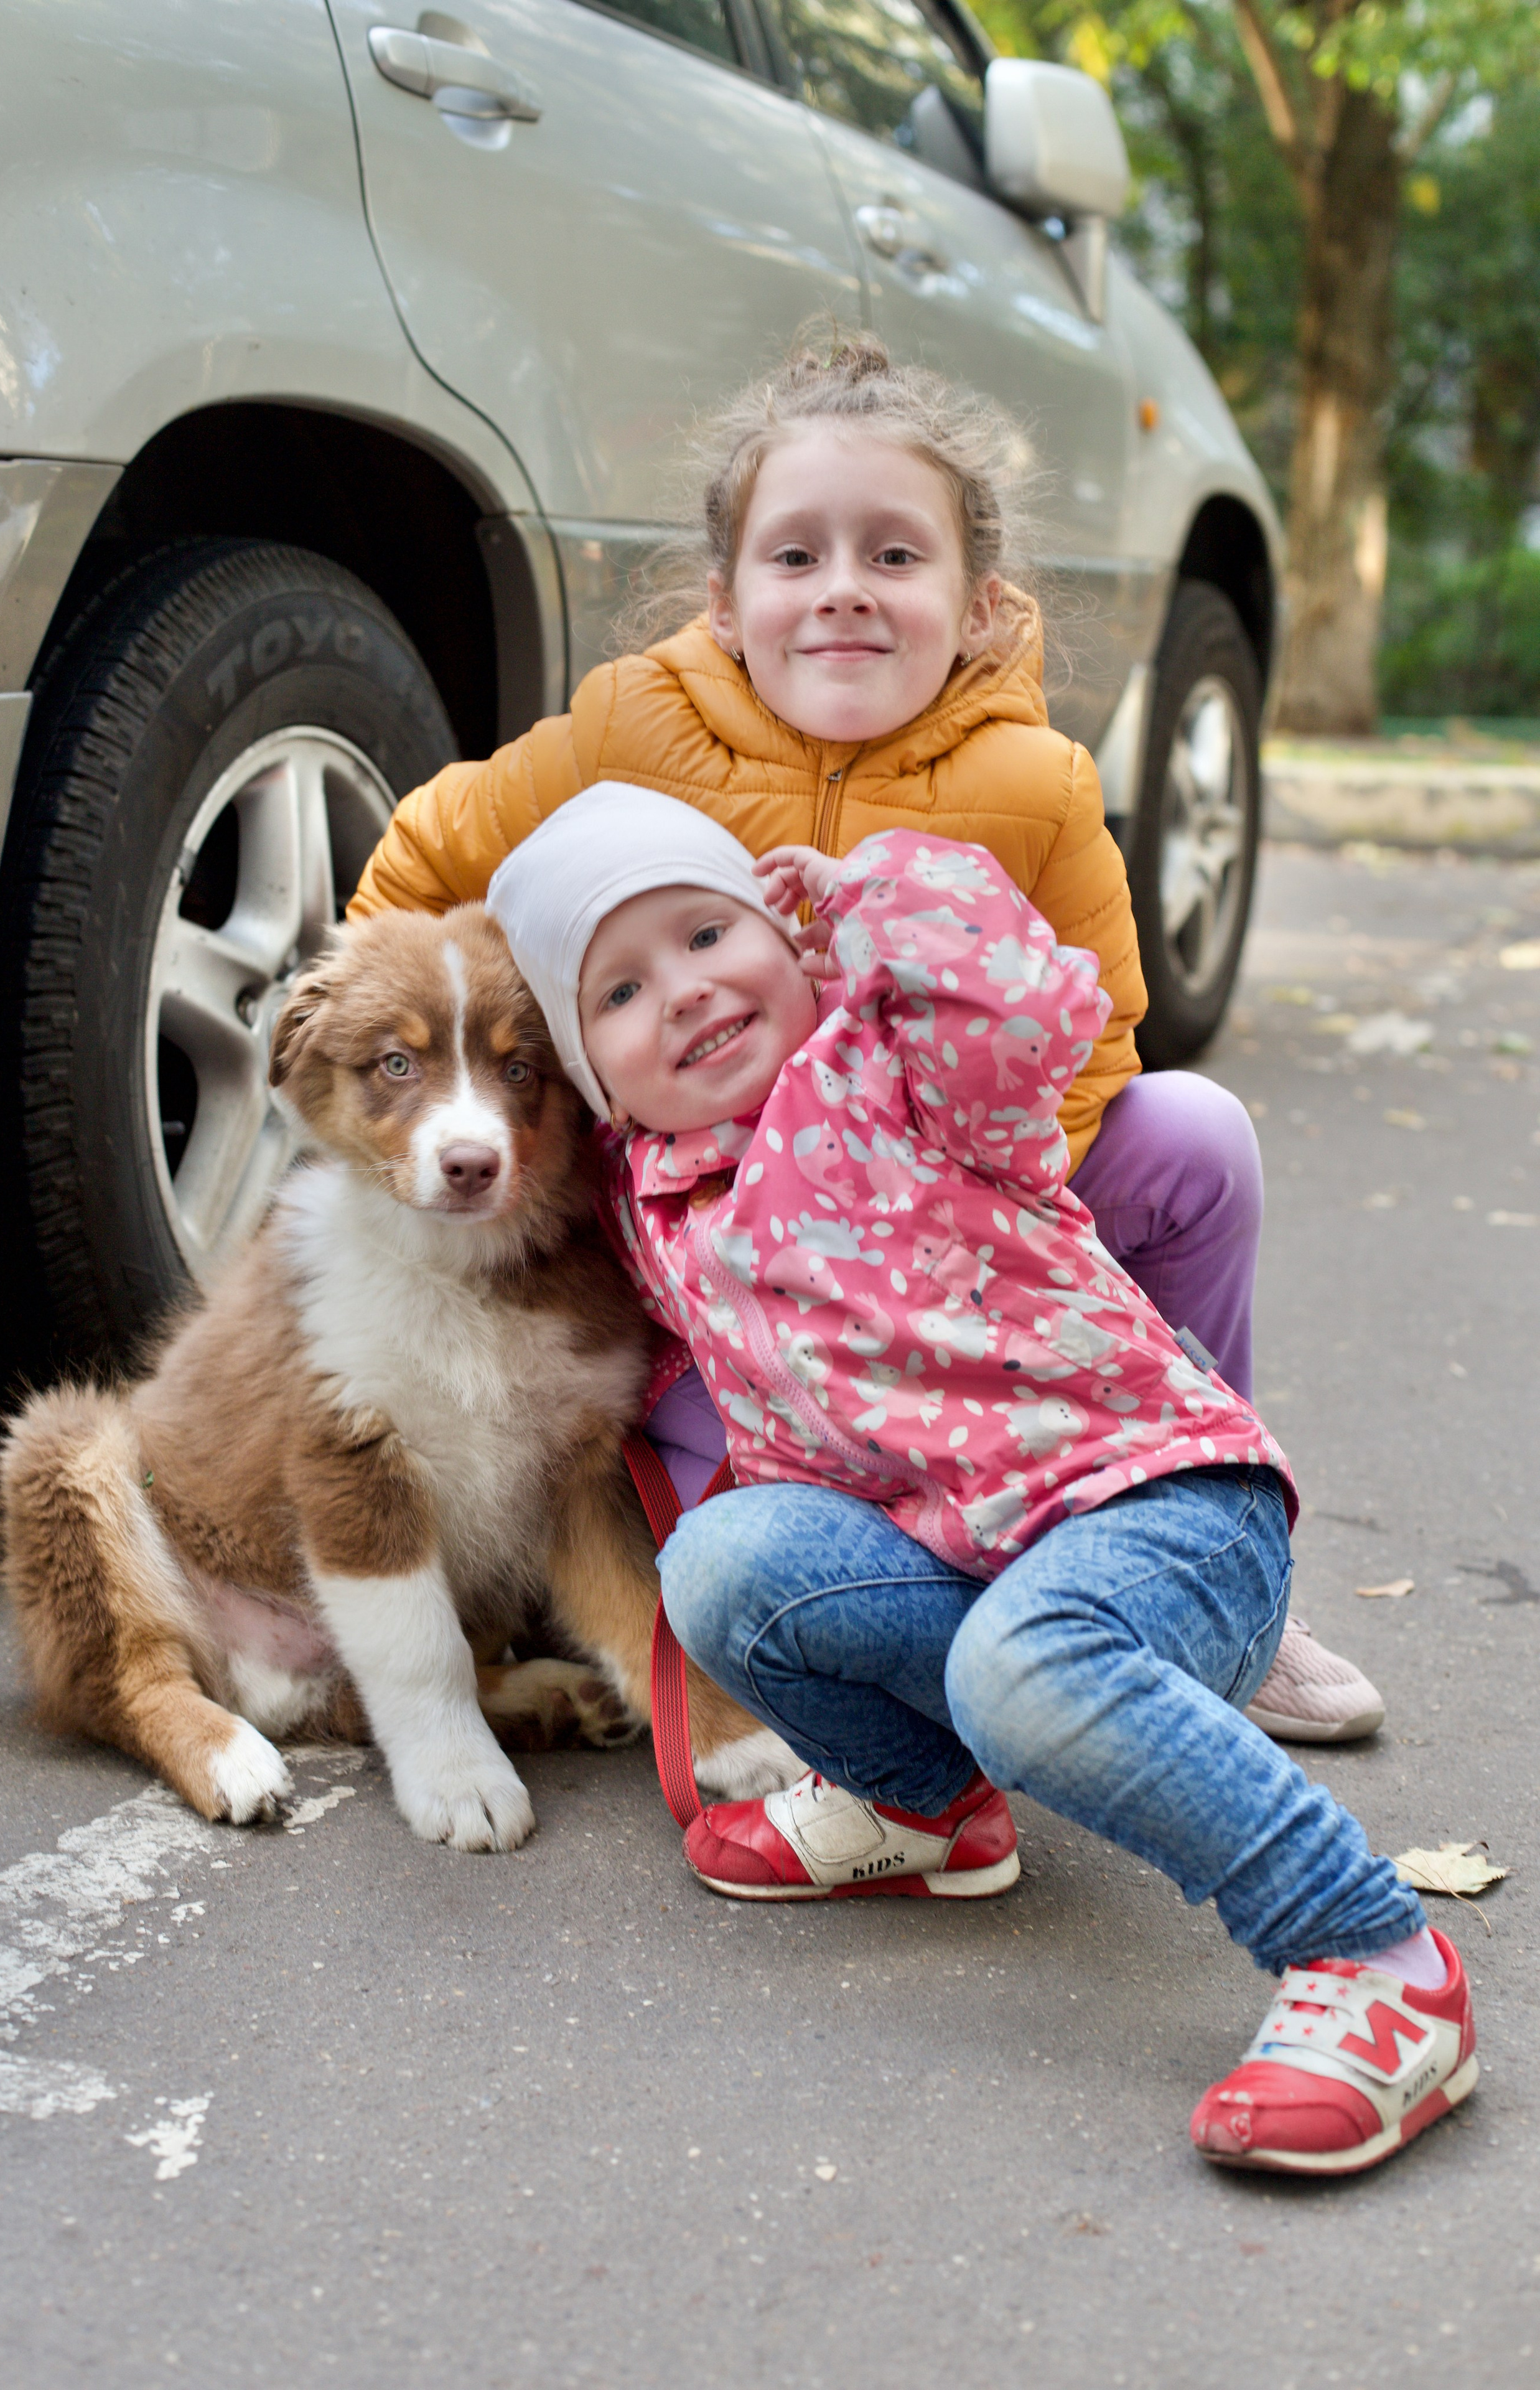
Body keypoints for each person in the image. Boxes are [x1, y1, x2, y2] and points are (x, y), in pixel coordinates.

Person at [348, 333, 1379, 1743]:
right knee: (754, 1547)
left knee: (1195, 1136)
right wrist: (435, 1096)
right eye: (795, 559)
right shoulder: (624, 731)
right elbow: (421, 860)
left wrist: (941, 1228)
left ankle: (1196, 1544)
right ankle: (930, 1622)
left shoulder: (1035, 784)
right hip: (708, 1270)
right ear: (723, 601)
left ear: (978, 607)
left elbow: (1099, 1028)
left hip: (966, 1216)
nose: (842, 588)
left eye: (894, 557)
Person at [485, 780, 1477, 2178]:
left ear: (784, 930)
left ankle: (1373, 1952)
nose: (687, 995)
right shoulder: (654, 1204)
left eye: (710, 935)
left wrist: (872, 889)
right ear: (594, 1073)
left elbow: (1023, 1004)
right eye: (623, 993)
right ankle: (921, 1808)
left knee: (1025, 1664)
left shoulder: (896, 1072)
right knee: (718, 1567)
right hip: (970, 1560)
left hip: (1165, 1514)